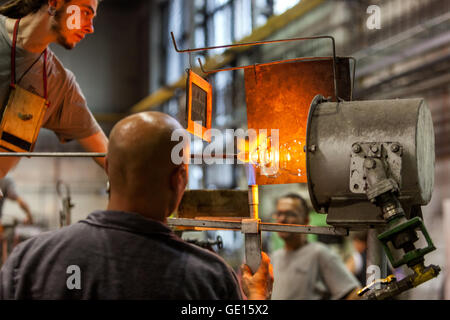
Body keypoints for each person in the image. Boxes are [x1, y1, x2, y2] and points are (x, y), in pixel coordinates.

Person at [0, 111, 273, 299]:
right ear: (180, 178)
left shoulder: (29, 261)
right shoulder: (207, 278)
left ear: (107, 167)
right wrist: (258, 296)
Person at [0, 0, 107, 178]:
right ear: (55, 2)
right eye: (85, 13)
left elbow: (109, 156)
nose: (90, 28)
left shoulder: (58, 86)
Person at [271, 193, 361, 300]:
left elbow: (354, 293)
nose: (281, 219)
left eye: (290, 214)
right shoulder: (274, 257)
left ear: (306, 221)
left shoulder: (319, 253)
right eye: (279, 213)